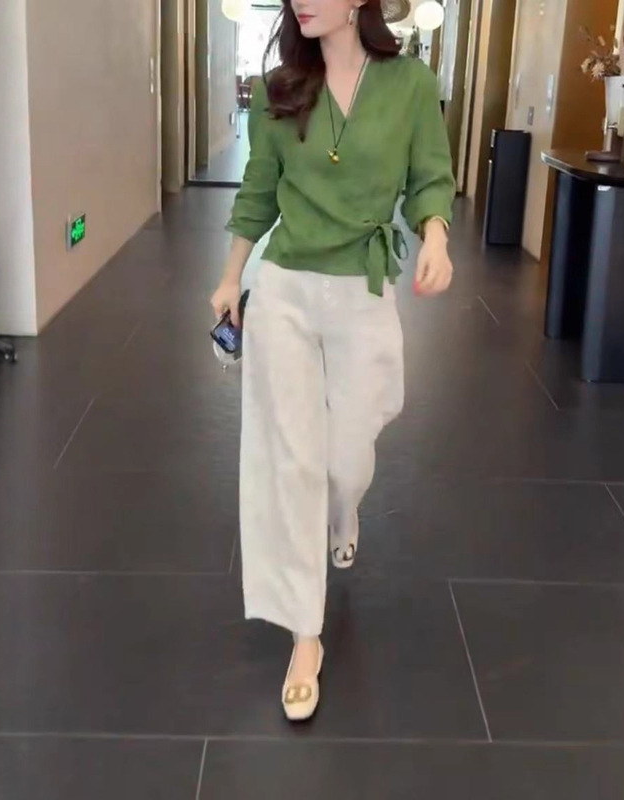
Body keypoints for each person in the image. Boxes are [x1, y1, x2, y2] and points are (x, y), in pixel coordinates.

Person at [210, 0, 455, 721]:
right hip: (285, 288)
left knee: (345, 460)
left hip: (363, 289)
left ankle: (343, 512)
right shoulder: (282, 87)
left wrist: (437, 238)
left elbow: (430, 176)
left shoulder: (410, 84)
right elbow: (259, 191)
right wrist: (230, 277)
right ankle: (304, 634)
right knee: (291, 461)